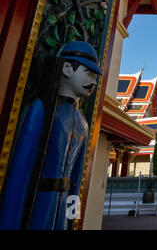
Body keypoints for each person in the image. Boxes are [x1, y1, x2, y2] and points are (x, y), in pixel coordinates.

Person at [0, 41, 102, 230]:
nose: (94, 82)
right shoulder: (42, 110)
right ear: (67, 69)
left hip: (63, 209)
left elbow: (77, 181)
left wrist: (73, 218)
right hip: (38, 202)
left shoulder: (84, 125)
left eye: (95, 76)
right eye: (89, 73)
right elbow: (20, 172)